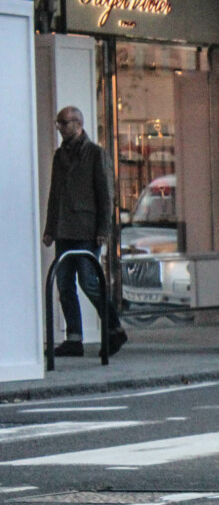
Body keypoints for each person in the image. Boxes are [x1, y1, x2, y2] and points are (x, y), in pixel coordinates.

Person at [43, 106, 127, 357]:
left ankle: (114, 329)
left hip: (87, 230)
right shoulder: (59, 156)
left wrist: (104, 229)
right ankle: (74, 338)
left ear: (78, 124)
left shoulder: (95, 154)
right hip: (64, 229)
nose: (59, 127)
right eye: (58, 123)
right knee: (64, 283)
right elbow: (54, 194)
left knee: (89, 282)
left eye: (64, 123)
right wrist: (50, 229)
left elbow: (106, 195)